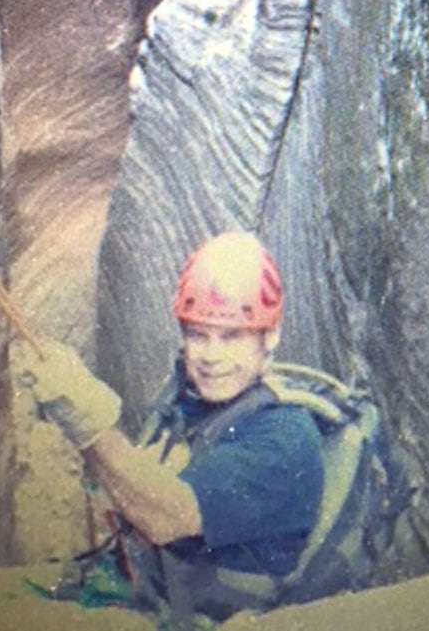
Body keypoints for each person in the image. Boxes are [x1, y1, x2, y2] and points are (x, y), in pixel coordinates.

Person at [17, 231, 325, 623]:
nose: (212, 356)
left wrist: (87, 421)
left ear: (271, 336)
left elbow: (168, 516)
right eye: (199, 335)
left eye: (232, 336)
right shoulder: (194, 402)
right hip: (148, 593)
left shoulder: (285, 439)